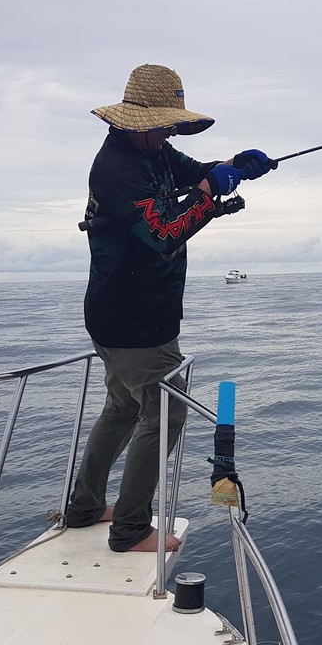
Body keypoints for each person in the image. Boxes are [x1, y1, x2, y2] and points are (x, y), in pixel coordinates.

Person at [65, 63, 276, 552]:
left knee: (121, 408)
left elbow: (198, 175)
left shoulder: (153, 152)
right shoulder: (117, 169)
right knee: (166, 416)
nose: (168, 133)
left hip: (127, 313)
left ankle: (85, 508)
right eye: (162, 124)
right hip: (135, 320)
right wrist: (208, 194)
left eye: (170, 125)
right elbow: (163, 234)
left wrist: (235, 166)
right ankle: (132, 529)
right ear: (134, 123)